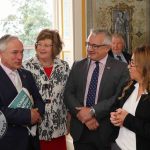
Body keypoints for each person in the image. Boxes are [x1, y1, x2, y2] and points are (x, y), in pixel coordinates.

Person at [64, 29, 129, 150]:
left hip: (105, 131)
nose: (89, 48)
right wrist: (82, 115)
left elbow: (117, 98)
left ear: (107, 47)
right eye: (88, 44)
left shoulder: (121, 68)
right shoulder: (78, 65)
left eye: (95, 46)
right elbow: (68, 93)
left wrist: (92, 111)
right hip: (80, 130)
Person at [23, 29, 70, 150]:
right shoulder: (26, 67)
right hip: (36, 128)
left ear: (55, 48)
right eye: (39, 44)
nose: (42, 48)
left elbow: (68, 94)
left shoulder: (63, 66)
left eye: (46, 45)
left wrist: (69, 121)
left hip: (58, 125)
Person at [0, 34, 45, 150]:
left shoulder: (27, 75)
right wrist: (27, 115)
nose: (20, 57)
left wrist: (37, 113)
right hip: (8, 142)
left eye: (22, 52)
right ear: (1, 53)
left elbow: (39, 100)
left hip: (31, 141)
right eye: (15, 53)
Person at [110, 44, 150, 150]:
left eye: (132, 63)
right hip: (118, 145)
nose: (128, 66)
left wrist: (126, 119)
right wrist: (115, 116)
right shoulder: (129, 86)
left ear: (143, 66)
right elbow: (115, 106)